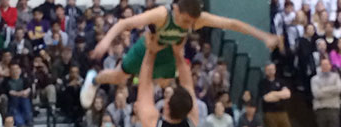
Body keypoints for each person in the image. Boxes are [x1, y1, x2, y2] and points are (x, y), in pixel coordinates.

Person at [80, 0, 279, 108]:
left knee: (166, 85)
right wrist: (105, 42)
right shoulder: (161, 14)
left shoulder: (197, 19)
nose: (189, 26)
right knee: (118, 77)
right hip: (146, 47)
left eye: (192, 23)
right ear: (175, 9)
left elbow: (233, 24)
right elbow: (125, 23)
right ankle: (94, 79)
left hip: (168, 52)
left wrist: (263, 36)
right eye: (185, 21)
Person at [259, 62, 293, 127]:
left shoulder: (281, 81)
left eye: (272, 69)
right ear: (265, 71)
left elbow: (287, 95)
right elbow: (266, 98)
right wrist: (279, 94)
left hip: (282, 112)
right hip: (270, 113)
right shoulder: (263, 83)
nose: (271, 71)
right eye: (268, 69)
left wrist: (274, 94)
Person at [311, 58, 341, 127]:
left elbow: (338, 89)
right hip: (320, 110)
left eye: (327, 64)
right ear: (320, 66)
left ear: (330, 66)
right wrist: (330, 91)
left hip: (333, 108)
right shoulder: (314, 79)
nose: (325, 66)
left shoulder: (336, 77)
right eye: (323, 64)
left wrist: (323, 90)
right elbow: (316, 94)